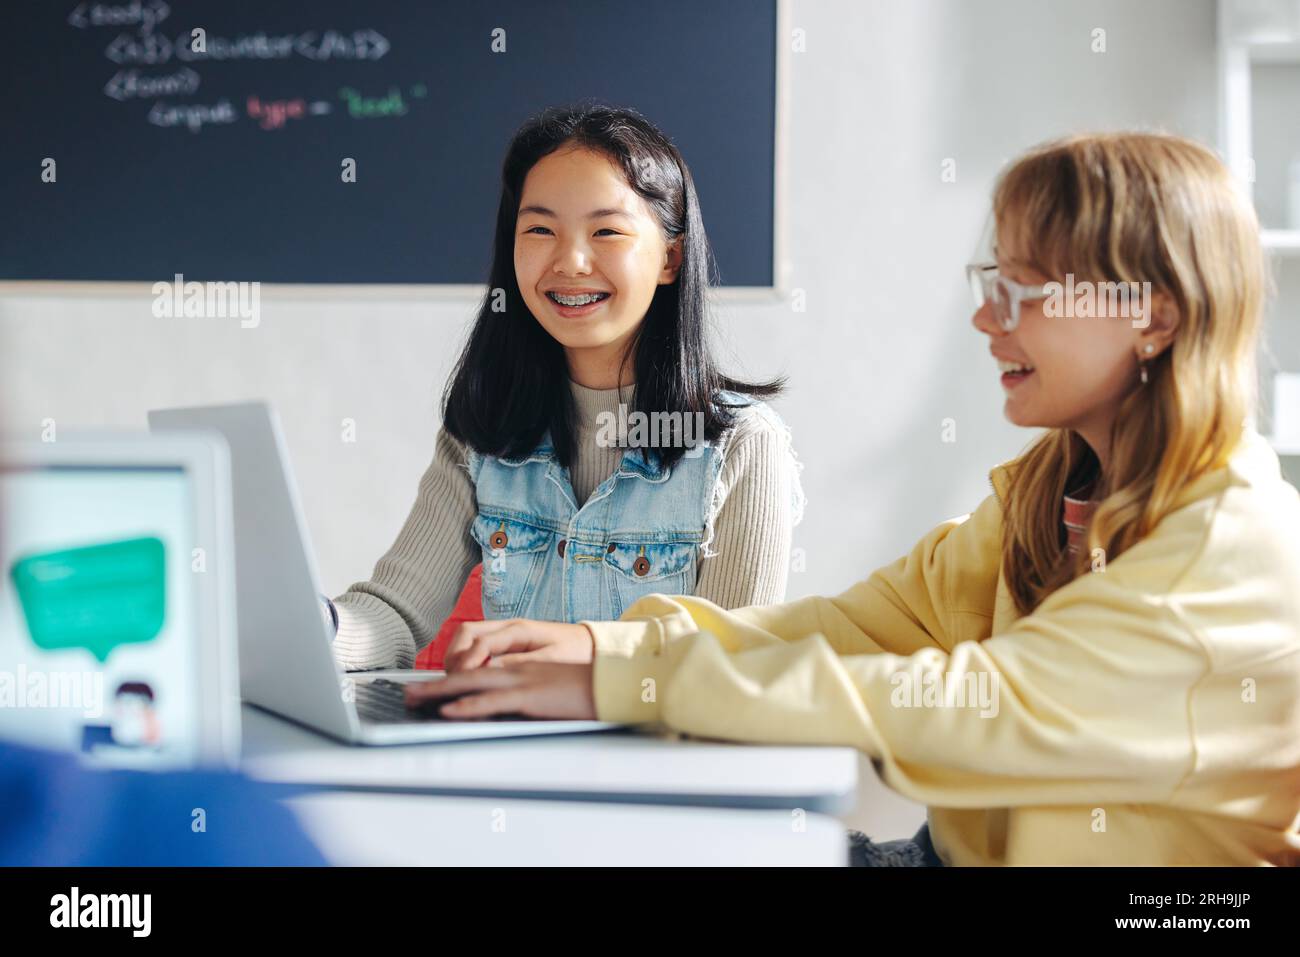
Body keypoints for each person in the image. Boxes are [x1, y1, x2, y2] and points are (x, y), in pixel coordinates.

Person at [408, 132, 1300, 867]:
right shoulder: (1046, 494)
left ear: (1156, 315)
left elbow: (958, 702)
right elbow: (852, 627)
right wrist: (602, 642)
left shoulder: (1228, 552)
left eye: (1024, 290)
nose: (989, 319)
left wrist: (621, 679)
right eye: (992, 285)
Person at [328, 105, 803, 672]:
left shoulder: (741, 446)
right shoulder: (485, 431)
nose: (570, 261)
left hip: (656, 759)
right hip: (501, 750)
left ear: (670, 258)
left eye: (606, 231)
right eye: (539, 230)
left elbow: (731, 670)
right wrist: (307, 626)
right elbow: (397, 615)